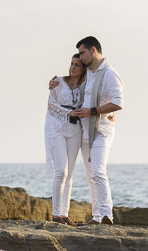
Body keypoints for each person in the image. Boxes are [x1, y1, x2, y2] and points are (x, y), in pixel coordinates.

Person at [56, 36, 124, 225]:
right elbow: (74, 82)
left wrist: (93, 111)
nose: (81, 57)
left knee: (98, 170)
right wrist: (56, 82)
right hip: (85, 131)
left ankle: (106, 215)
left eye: (83, 53)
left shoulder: (109, 73)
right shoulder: (90, 73)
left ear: (93, 50)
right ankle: (96, 217)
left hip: (101, 130)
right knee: (90, 175)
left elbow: (118, 103)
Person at [45, 53, 86, 225]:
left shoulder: (86, 85)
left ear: (83, 68)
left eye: (77, 65)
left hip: (75, 129)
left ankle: (64, 214)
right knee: (60, 171)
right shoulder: (59, 81)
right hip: (57, 128)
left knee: (69, 174)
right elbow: (51, 104)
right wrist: (68, 112)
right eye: (71, 64)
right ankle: (55, 215)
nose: (73, 67)